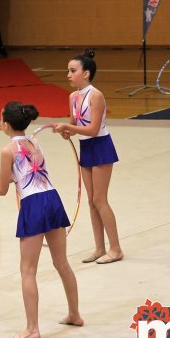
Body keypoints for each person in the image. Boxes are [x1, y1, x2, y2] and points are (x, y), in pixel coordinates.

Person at [0, 101, 83, 338]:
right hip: (52, 199)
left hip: (33, 205)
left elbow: (2, 188)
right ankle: (75, 313)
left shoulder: (7, 151)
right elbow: (21, 175)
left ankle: (32, 329)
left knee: (28, 270)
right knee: (61, 263)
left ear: (5, 124)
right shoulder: (34, 142)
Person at [54, 49, 124, 265]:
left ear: (86, 74)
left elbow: (93, 129)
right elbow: (75, 125)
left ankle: (116, 248)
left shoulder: (96, 96)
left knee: (100, 200)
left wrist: (69, 127)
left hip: (101, 146)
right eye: (68, 70)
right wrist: (67, 131)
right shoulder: (73, 97)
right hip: (86, 148)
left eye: (73, 70)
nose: (68, 74)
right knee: (91, 202)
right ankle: (99, 247)